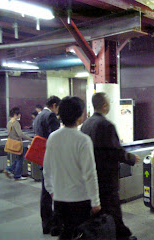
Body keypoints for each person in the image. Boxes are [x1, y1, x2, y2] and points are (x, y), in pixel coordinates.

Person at [81, 92, 140, 240]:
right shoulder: (106, 125)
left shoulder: (86, 124)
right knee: (113, 208)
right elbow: (115, 151)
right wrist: (131, 158)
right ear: (105, 105)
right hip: (107, 176)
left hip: (91, 175)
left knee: (100, 209)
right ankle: (122, 236)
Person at [43, 96, 101, 240]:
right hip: (80, 199)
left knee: (66, 233)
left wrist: (51, 190)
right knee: (80, 234)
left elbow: (47, 168)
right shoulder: (83, 140)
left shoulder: (53, 137)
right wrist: (95, 201)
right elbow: (89, 174)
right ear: (79, 116)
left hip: (59, 199)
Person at [34, 96, 61, 236]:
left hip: (41, 157)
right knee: (53, 192)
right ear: (54, 105)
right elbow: (55, 138)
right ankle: (54, 224)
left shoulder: (38, 116)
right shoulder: (50, 115)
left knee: (45, 193)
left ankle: (46, 223)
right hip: (51, 159)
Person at [4, 107, 33, 180]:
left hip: (12, 143)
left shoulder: (9, 122)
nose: (20, 115)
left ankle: (9, 169)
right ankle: (16, 175)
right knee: (20, 160)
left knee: (18, 159)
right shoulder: (16, 123)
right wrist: (31, 139)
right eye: (19, 114)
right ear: (15, 114)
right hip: (18, 144)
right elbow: (20, 134)